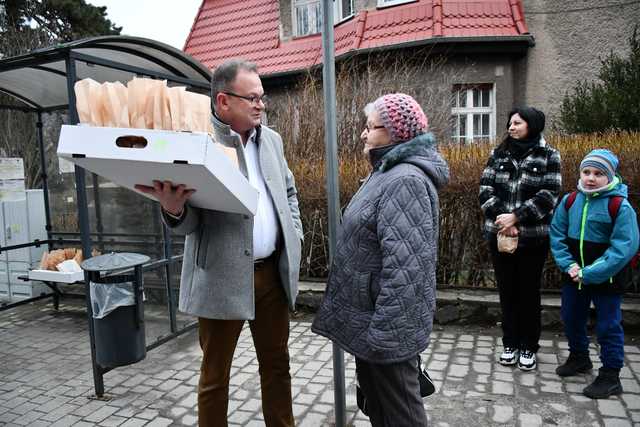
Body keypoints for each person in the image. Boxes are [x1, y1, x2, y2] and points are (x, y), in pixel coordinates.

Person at [135, 59, 303, 426]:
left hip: (272, 274)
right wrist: (173, 209)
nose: (261, 104)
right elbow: (190, 222)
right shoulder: (197, 141)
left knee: (277, 366)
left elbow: (288, 191)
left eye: (262, 97)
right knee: (215, 376)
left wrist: (295, 233)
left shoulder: (271, 140)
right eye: (252, 98)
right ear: (223, 101)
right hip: (220, 276)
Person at [312, 93, 449, 426]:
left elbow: (408, 271)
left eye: (371, 127)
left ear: (396, 134)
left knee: (401, 414)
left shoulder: (404, 180)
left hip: (386, 329)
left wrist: (386, 337)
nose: (363, 133)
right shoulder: (386, 171)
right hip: (372, 323)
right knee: (381, 409)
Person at [550, 149, 639, 399]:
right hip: (573, 275)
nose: (590, 178)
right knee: (571, 317)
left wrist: (590, 272)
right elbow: (557, 235)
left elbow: (624, 247)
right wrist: (569, 265)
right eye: (586, 172)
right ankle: (579, 357)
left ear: (610, 176)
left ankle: (611, 375)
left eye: (598, 174)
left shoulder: (619, 206)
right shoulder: (570, 201)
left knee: (608, 325)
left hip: (606, 279)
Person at [478, 107, 561, 371]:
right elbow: (485, 188)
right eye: (510, 123)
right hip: (500, 235)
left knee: (528, 293)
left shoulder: (549, 155)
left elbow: (549, 195)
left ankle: (528, 346)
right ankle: (510, 344)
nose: (511, 127)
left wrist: (517, 218)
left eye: (517, 123)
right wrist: (503, 219)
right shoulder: (498, 153)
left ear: (532, 125)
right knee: (507, 293)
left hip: (532, 238)